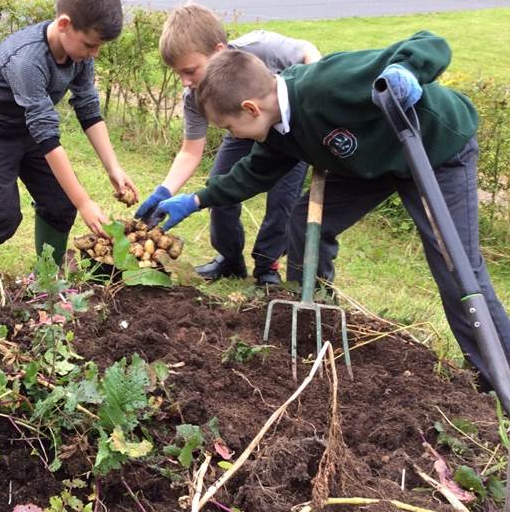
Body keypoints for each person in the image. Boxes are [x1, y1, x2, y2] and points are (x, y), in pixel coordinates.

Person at [148, 31, 510, 383]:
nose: (234, 136)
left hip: (433, 150)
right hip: (371, 165)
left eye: (229, 126)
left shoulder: (327, 84)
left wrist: (404, 71)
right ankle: (313, 323)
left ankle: (498, 370)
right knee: (306, 225)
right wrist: (196, 200)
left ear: (250, 108)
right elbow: (252, 174)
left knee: (455, 264)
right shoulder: (276, 131)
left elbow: (431, 43)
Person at [0, 0, 138, 278]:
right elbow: (47, 136)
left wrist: (113, 169)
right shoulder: (27, 60)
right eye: (91, 44)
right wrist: (85, 203)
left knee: (60, 204)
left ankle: (47, 277)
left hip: (28, 125)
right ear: (64, 24)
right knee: (1, 216)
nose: (94, 53)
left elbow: (89, 109)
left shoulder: (79, 56)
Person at [135, 3, 319, 284]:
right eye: (178, 74)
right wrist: (164, 191)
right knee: (218, 186)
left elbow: (308, 51)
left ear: (219, 52)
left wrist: (313, 106)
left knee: (283, 199)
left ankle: (267, 266)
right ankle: (229, 260)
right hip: (241, 130)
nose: (185, 82)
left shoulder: (261, 47)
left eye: (190, 70)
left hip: (287, 132)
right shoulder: (194, 96)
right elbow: (190, 150)